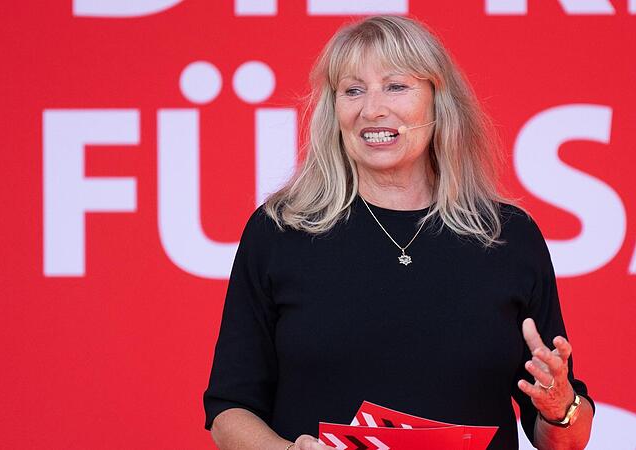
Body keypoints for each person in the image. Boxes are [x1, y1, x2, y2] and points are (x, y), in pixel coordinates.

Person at [204, 15, 594, 450]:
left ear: (438, 102)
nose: (371, 109)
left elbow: (565, 440)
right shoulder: (280, 231)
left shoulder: (508, 237)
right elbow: (228, 411)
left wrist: (561, 407)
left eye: (395, 86)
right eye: (353, 90)